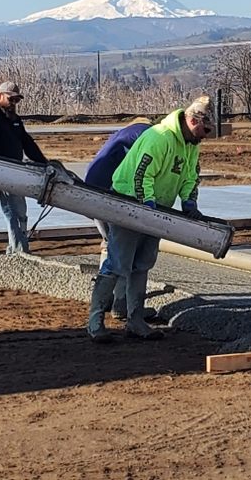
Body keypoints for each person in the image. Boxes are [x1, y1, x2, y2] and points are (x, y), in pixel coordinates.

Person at [87, 96, 213, 343]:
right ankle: (95, 321)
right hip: (129, 205)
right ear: (192, 120)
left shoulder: (191, 144)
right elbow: (141, 173)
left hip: (155, 211)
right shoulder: (160, 138)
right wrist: (147, 205)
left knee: (142, 264)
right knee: (116, 263)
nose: (206, 135)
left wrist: (189, 201)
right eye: (205, 129)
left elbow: (189, 176)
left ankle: (135, 320)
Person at [83, 118, 152, 321]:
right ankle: (120, 305)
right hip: (109, 195)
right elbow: (143, 171)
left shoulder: (121, 135)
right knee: (124, 253)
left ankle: (105, 304)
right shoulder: (147, 135)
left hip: (92, 192)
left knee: (109, 244)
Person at [0, 81, 47, 255]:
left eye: (17, 100)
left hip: (16, 173)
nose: (14, 103)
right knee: (11, 214)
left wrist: (44, 164)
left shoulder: (14, 119)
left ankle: (16, 248)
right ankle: (19, 251)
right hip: (0, 175)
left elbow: (27, 142)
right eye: (11, 99)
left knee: (21, 213)